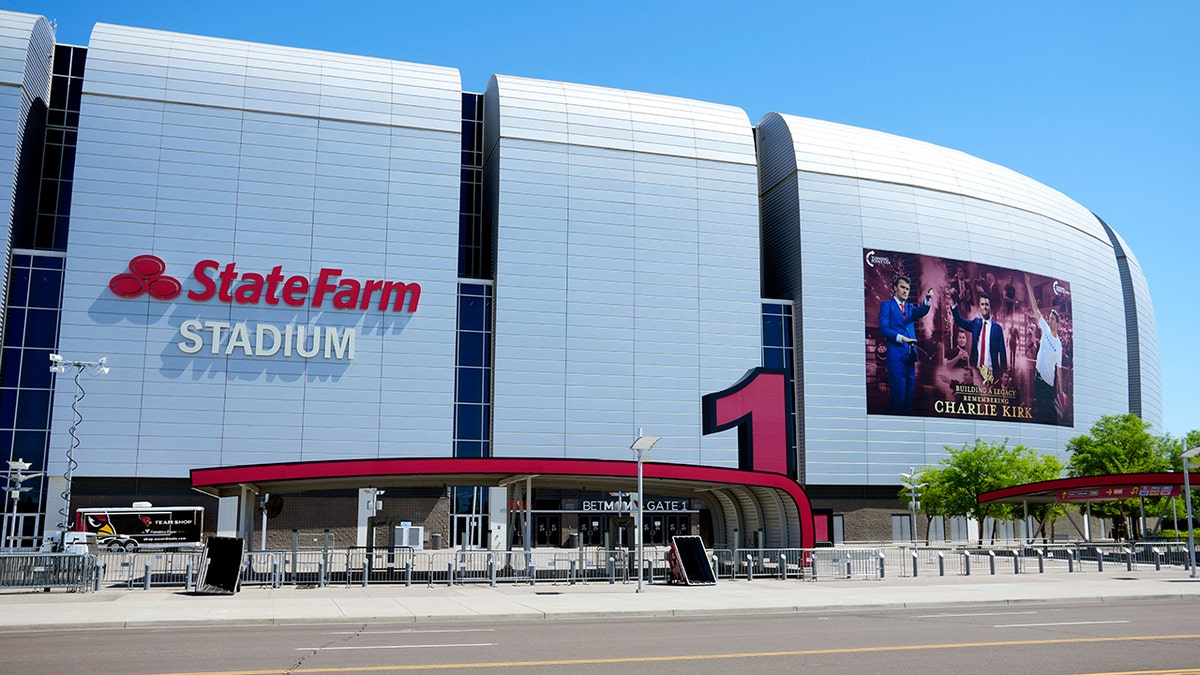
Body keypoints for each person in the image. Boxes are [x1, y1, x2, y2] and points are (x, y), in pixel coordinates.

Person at [878, 275, 933, 414]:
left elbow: (922, 311)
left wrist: (927, 299)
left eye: (908, 289)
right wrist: (902, 338)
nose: (905, 291)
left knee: (909, 398)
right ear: (895, 288)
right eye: (902, 287)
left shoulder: (910, 308)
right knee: (898, 398)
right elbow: (884, 329)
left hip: (910, 357)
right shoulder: (886, 306)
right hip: (896, 358)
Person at [1025, 273, 1063, 424]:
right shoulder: (1045, 329)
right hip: (1038, 378)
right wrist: (1028, 285)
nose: (1050, 320)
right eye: (1050, 318)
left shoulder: (1059, 345)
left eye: (1052, 319)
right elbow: (1036, 309)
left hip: (1049, 384)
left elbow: (1059, 369)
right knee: (1037, 413)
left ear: (1057, 323)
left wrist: (1060, 390)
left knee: (1048, 416)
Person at [950, 286, 1006, 385]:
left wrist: (1003, 374)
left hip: (992, 372)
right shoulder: (976, 323)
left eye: (987, 305)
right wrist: (954, 304)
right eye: (982, 304)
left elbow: (1002, 353)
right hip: (976, 371)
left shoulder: (997, 328)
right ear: (979, 307)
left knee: (990, 399)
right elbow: (959, 321)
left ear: (990, 307)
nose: (985, 307)